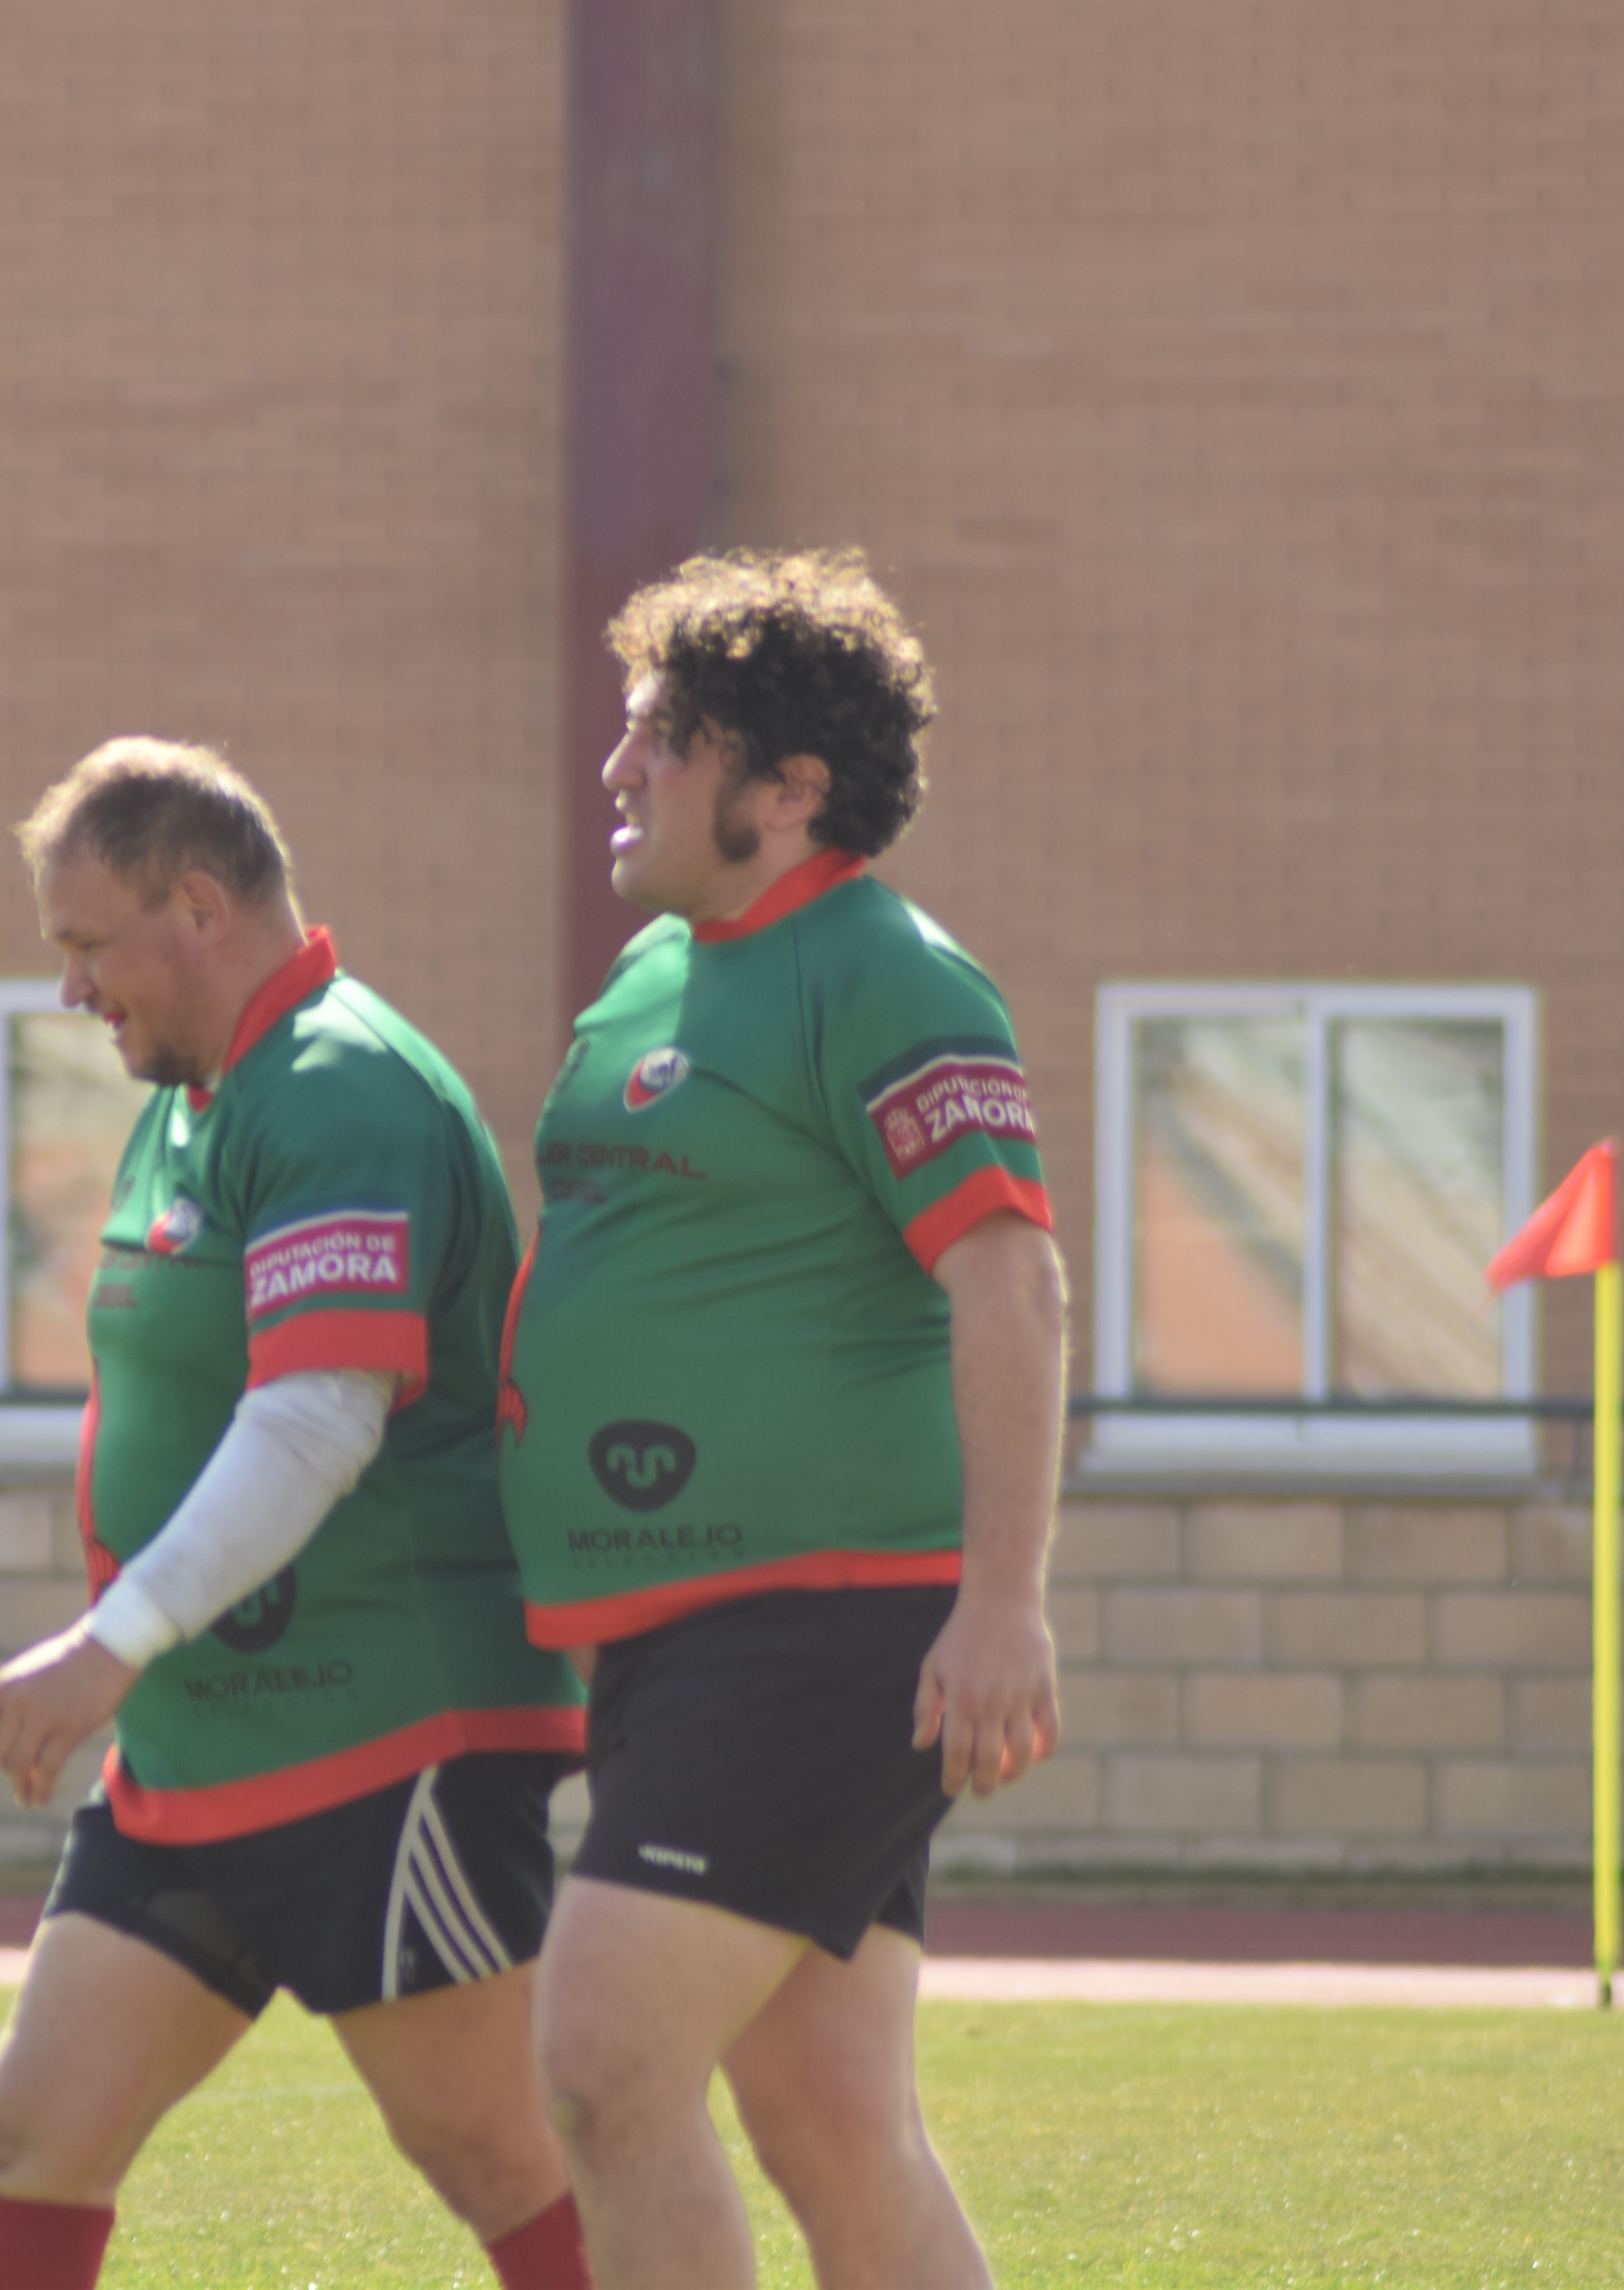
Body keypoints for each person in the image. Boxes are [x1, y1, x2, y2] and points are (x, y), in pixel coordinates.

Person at [0, 740, 592, 2290]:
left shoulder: (338, 1085)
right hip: (206, 1737)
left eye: (91, 947)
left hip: (382, 1733)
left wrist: (111, 1640)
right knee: (29, 2139)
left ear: (201, 908)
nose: (74, 992)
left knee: (506, 2164)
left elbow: (315, 1417)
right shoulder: (198, 1095)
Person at [499, 551, 1066, 2290]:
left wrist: (1003, 1599)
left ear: (789, 786)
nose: (617, 772)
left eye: (661, 739)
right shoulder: (653, 985)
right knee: (835, 2125)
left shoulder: (885, 971)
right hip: (673, 1632)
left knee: (600, 2067)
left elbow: (1010, 1285)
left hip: (820, 1625)